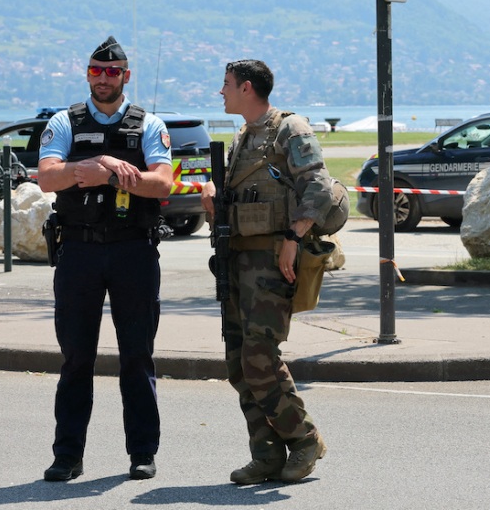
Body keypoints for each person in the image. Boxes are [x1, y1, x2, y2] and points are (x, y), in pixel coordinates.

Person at [37, 36, 173, 482]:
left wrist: (114, 172)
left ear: (126, 76)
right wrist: (93, 165)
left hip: (133, 249)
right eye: (96, 70)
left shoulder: (148, 124)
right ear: (87, 74)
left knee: (137, 355)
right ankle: (67, 455)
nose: (102, 78)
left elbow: (163, 183)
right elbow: (46, 179)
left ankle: (142, 453)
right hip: (78, 251)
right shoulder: (65, 121)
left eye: (111, 72)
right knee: (76, 357)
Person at [200, 59, 331, 485]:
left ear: (247, 88)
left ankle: (305, 440)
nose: (221, 92)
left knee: (260, 357)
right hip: (238, 261)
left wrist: (294, 238)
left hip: (273, 261)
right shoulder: (243, 137)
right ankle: (267, 454)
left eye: (226, 85)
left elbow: (319, 185)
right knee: (238, 363)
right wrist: (215, 198)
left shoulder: (289, 129)